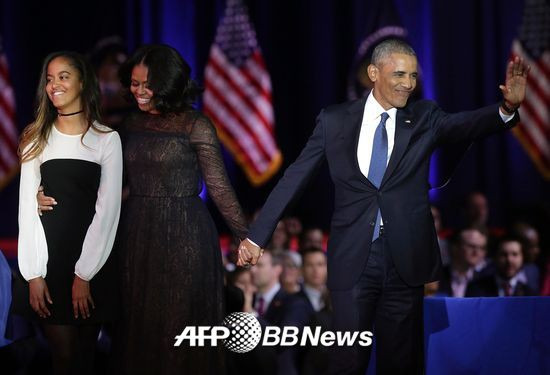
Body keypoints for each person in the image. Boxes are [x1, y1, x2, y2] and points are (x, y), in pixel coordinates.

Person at [238, 39, 529, 374]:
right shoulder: (335, 121)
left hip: (405, 259)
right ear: (374, 73)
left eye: (414, 76)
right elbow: (294, 178)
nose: (409, 83)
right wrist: (257, 237)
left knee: (401, 362)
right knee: (348, 360)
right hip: (353, 259)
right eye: (400, 74)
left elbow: (466, 124)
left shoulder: (424, 117)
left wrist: (505, 109)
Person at [37, 44, 249, 374]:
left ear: (168, 82)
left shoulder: (196, 125)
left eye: (147, 84)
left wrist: (246, 236)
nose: (138, 91)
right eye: (134, 84)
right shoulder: (130, 125)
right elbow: (97, 180)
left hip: (186, 237)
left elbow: (220, 187)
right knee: (138, 327)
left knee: (180, 327)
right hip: (136, 235)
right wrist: (42, 191)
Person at [15, 51, 122, 375]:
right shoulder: (36, 136)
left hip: (94, 262)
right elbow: (26, 209)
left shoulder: (106, 139)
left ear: (81, 82)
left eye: (63, 76)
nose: (54, 85)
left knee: (85, 359)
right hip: (49, 264)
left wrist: (84, 275)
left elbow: (108, 211)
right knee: (62, 359)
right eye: (49, 79)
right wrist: (33, 274)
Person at [466, 236, 536, 297]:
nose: (509, 260)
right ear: (495, 257)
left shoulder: (529, 294)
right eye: (503, 254)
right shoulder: (476, 289)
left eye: (515, 254)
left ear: (522, 257)